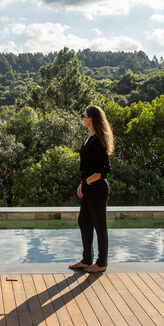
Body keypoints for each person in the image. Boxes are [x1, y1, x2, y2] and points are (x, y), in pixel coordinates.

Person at [69, 105, 114, 273]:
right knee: (84, 221)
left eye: (84, 115)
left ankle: (101, 263)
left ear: (91, 119)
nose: (82, 118)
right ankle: (87, 259)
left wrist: (88, 181)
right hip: (89, 187)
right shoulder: (90, 138)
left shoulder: (98, 140)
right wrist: (83, 183)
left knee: (99, 225)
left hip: (97, 188)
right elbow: (88, 167)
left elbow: (105, 169)